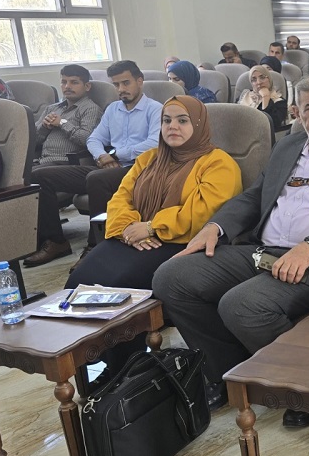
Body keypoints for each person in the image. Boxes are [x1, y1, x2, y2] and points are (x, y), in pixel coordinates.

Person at [152, 76, 309, 420]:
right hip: (259, 250)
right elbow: (254, 197)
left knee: (241, 305)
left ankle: (306, 385)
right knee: (170, 278)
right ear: (296, 112)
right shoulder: (287, 146)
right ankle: (226, 368)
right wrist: (215, 227)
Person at [67, 95, 242, 383]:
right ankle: (108, 362)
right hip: (132, 238)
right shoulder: (149, 159)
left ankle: (127, 367)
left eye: (183, 121)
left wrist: (151, 227)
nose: (173, 127)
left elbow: (202, 213)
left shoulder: (218, 163)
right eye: (166, 120)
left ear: (199, 125)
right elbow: (120, 198)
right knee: (81, 280)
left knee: (120, 285)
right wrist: (128, 229)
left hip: (182, 242)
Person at [25, 60, 162, 268]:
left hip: (139, 169)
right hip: (106, 167)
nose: (121, 89)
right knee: (40, 176)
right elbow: (94, 139)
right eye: (116, 84)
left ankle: (95, 246)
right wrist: (101, 156)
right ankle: (55, 241)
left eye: (126, 83)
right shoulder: (113, 109)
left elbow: (154, 144)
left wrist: (114, 155)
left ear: (139, 81)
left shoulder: (155, 109)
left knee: (96, 178)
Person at [35, 65, 104, 166]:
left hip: (68, 162)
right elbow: (32, 142)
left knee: (33, 174)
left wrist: (62, 123)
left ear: (87, 86)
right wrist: (44, 127)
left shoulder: (91, 109)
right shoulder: (51, 108)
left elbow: (86, 139)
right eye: (64, 82)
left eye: (74, 82)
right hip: (42, 162)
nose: (67, 86)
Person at [238, 65, 287, 131]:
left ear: (269, 79)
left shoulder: (279, 102)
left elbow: (271, 125)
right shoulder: (244, 97)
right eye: (254, 80)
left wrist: (265, 97)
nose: (259, 82)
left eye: (262, 77)